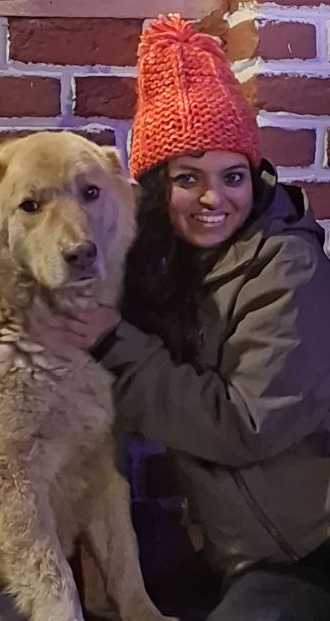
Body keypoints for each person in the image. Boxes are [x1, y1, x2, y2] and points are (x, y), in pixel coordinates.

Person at [58, 14, 330, 620]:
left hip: (307, 550)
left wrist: (115, 345)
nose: (214, 199)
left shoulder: (287, 266)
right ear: (158, 189)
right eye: (189, 178)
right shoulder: (168, 261)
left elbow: (246, 426)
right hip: (232, 546)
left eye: (233, 177)